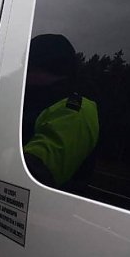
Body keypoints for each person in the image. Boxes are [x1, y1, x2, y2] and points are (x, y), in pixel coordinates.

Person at [22, 34, 99, 190]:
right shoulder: (39, 102)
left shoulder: (75, 111)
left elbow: (33, 170)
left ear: (47, 68)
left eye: (28, 67)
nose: (24, 74)